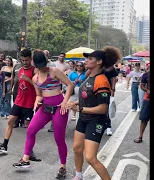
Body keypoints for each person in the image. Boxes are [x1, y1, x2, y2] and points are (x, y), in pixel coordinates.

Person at [12, 50, 74, 178]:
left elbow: (69, 85)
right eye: (39, 66)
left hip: (59, 108)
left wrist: (65, 102)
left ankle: (63, 166)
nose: (42, 68)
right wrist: (36, 102)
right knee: (31, 130)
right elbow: (39, 94)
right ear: (35, 64)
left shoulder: (54, 71)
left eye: (43, 64)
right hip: (45, 108)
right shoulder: (35, 77)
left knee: (59, 138)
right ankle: (25, 159)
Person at [67, 46, 121, 180]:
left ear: (99, 62)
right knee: (77, 148)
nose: (86, 61)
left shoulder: (101, 80)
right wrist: (77, 104)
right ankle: (78, 176)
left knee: (91, 157)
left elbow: (103, 108)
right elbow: (88, 97)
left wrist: (79, 109)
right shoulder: (88, 76)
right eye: (86, 58)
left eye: (90, 58)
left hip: (96, 121)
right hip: (83, 118)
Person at [0, 49, 41, 161]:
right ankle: (4, 145)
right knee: (10, 122)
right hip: (18, 102)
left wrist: (28, 79)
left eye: (27, 60)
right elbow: (17, 84)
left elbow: (38, 86)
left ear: (31, 59)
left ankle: (30, 151)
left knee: (29, 129)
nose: (25, 62)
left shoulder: (35, 71)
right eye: (23, 60)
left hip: (29, 104)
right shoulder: (19, 70)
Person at [134, 65, 150, 143]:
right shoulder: (146, 74)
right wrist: (147, 90)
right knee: (144, 119)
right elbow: (142, 86)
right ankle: (140, 136)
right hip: (148, 99)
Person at [103, 64, 118, 136]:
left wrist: (112, 90)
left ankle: (108, 126)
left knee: (107, 108)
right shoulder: (96, 64)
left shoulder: (111, 67)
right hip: (96, 90)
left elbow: (113, 79)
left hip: (107, 90)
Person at [10, 58, 24, 128]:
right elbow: (12, 77)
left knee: (23, 105)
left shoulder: (28, 66)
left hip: (24, 89)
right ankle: (16, 122)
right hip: (16, 89)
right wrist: (11, 88)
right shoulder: (16, 66)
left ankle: (23, 121)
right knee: (16, 104)